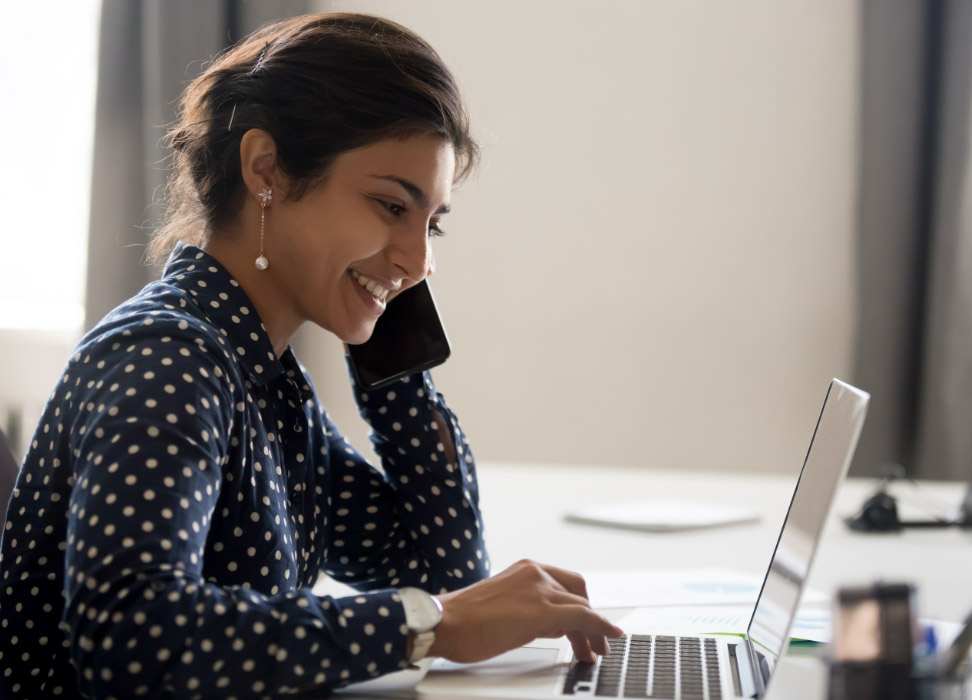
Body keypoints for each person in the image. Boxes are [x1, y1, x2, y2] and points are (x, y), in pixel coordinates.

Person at [0, 12, 622, 699]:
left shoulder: (264, 378)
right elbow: (134, 638)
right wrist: (430, 625)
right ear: (265, 168)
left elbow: (445, 572)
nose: (421, 261)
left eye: (431, 224)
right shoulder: (166, 360)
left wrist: (393, 350)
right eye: (390, 206)